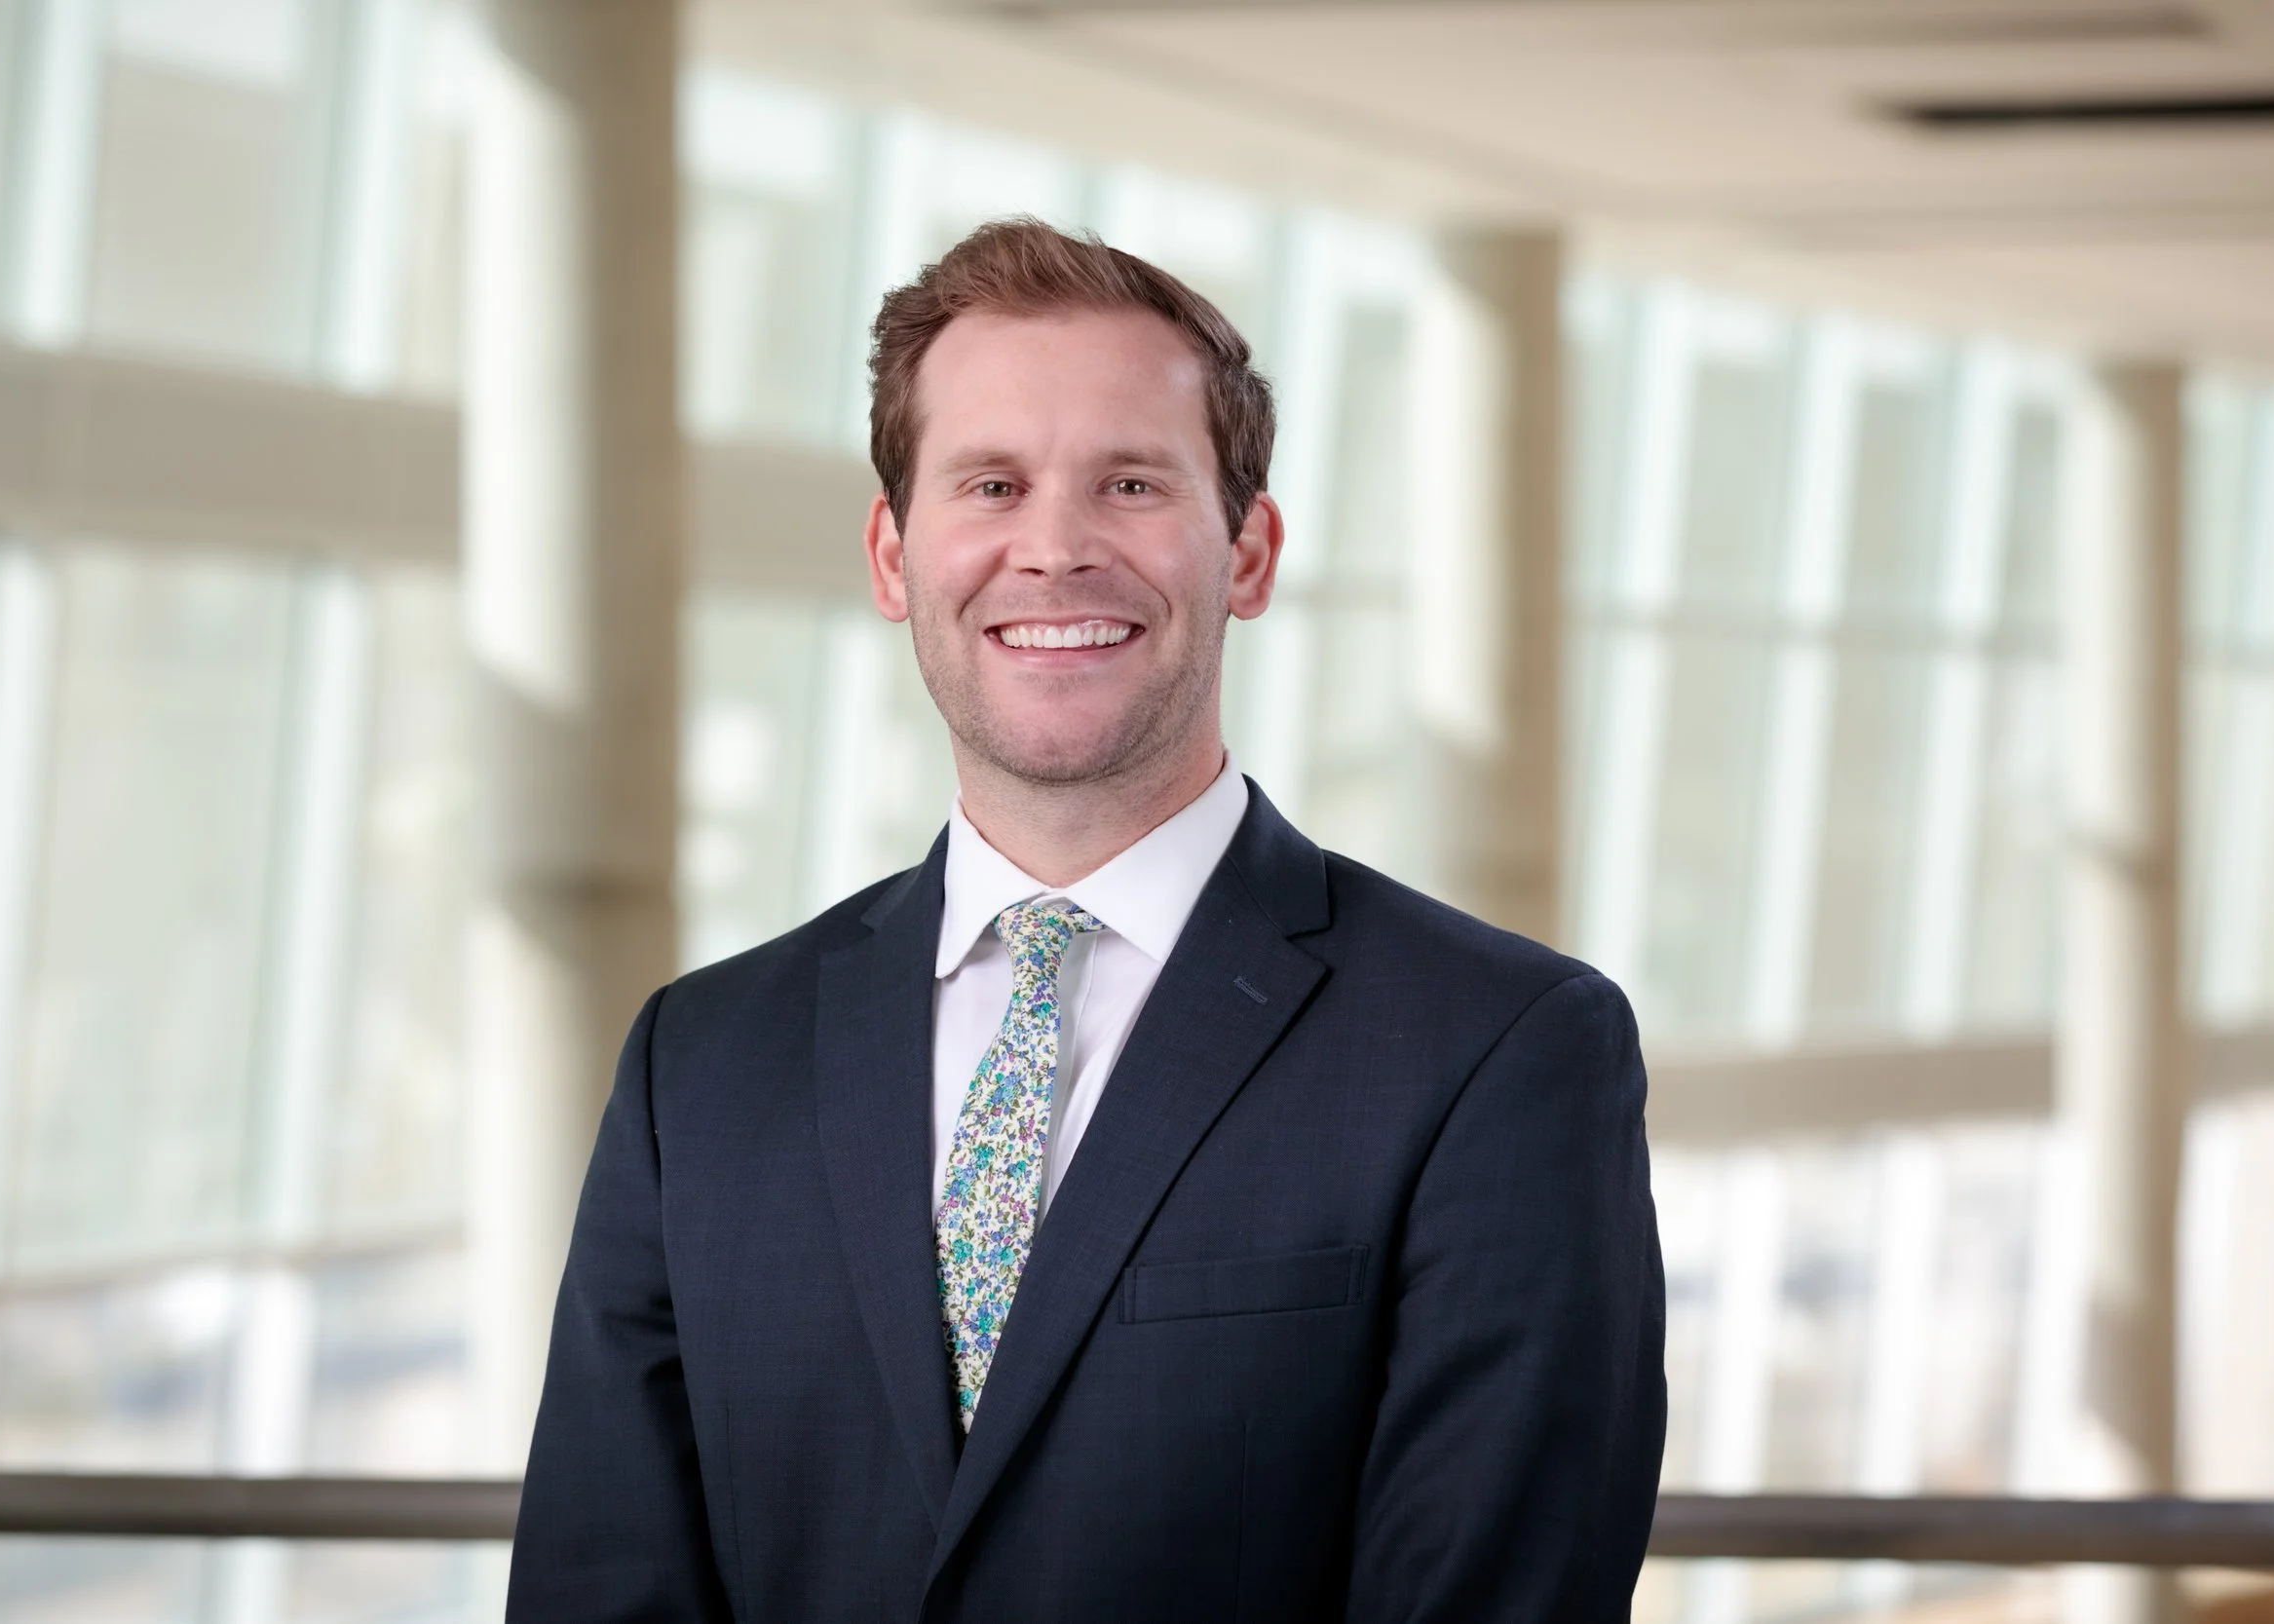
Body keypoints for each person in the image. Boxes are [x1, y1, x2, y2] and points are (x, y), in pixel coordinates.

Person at [507, 217, 1664, 1623]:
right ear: (893, 556)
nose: (1051, 549)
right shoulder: (699, 1064)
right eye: (990, 483)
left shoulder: (1497, 1049)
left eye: (1129, 483)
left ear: (1247, 550)